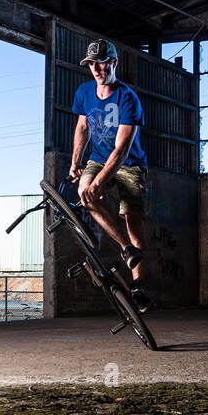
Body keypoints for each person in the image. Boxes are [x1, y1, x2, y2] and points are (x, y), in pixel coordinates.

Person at [66, 38, 153, 312]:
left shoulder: (128, 98)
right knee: (84, 193)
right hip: (97, 158)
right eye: (92, 64)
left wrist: (100, 182)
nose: (96, 69)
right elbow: (82, 128)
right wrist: (75, 161)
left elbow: (122, 151)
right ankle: (126, 248)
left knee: (132, 220)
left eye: (101, 63)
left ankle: (138, 287)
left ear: (113, 63)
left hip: (128, 163)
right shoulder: (84, 92)